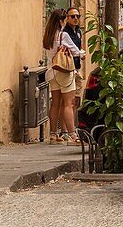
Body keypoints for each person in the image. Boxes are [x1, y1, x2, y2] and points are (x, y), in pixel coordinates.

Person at [42, 8, 84, 143]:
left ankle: (54, 134)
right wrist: (82, 54)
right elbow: (77, 52)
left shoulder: (48, 35)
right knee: (68, 104)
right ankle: (72, 135)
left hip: (51, 72)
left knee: (55, 103)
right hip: (64, 72)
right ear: (61, 20)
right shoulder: (62, 35)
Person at [62, 7, 84, 136]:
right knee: (67, 102)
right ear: (67, 18)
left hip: (77, 68)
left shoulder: (78, 32)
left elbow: (80, 48)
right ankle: (65, 130)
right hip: (68, 69)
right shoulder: (65, 33)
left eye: (77, 16)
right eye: (73, 16)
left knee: (76, 100)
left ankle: (73, 125)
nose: (76, 19)